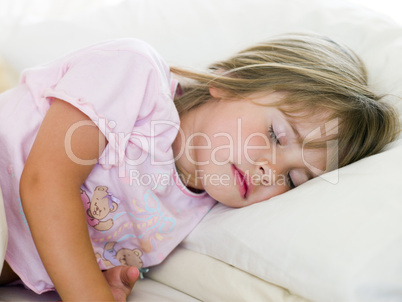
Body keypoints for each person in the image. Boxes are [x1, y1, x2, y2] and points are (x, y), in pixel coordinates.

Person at [0, 33, 399, 301]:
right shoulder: (135, 75)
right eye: (277, 135)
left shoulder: (194, 214)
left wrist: (99, 271)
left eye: (293, 180)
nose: (268, 170)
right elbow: (45, 184)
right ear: (231, 82)